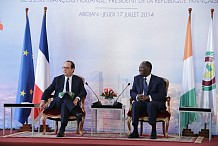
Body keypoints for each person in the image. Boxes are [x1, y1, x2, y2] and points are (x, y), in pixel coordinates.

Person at [40, 60, 87, 137]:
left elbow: (83, 92)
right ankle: (76, 113)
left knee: (65, 105)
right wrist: (43, 100)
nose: (64, 69)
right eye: (63, 67)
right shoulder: (57, 79)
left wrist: (77, 98)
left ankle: (62, 130)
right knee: (64, 95)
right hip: (57, 103)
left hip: (69, 104)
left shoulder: (78, 80)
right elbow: (48, 90)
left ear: (73, 69)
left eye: (67, 68)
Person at [128, 61, 166, 139]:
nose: (139, 70)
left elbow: (162, 95)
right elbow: (132, 91)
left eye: (141, 68)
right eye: (139, 68)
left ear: (148, 69)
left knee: (151, 104)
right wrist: (136, 96)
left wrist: (149, 97)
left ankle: (153, 131)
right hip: (142, 103)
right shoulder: (137, 78)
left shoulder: (158, 80)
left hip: (154, 104)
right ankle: (135, 131)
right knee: (135, 104)